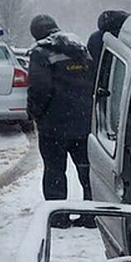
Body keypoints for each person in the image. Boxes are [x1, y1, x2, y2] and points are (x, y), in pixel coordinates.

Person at [26, 14, 95, 212]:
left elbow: (40, 88)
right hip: (84, 121)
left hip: (53, 126)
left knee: (55, 171)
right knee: (87, 170)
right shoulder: (79, 48)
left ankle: (58, 215)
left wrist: (34, 112)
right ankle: (93, 214)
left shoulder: (41, 52)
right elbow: (93, 78)